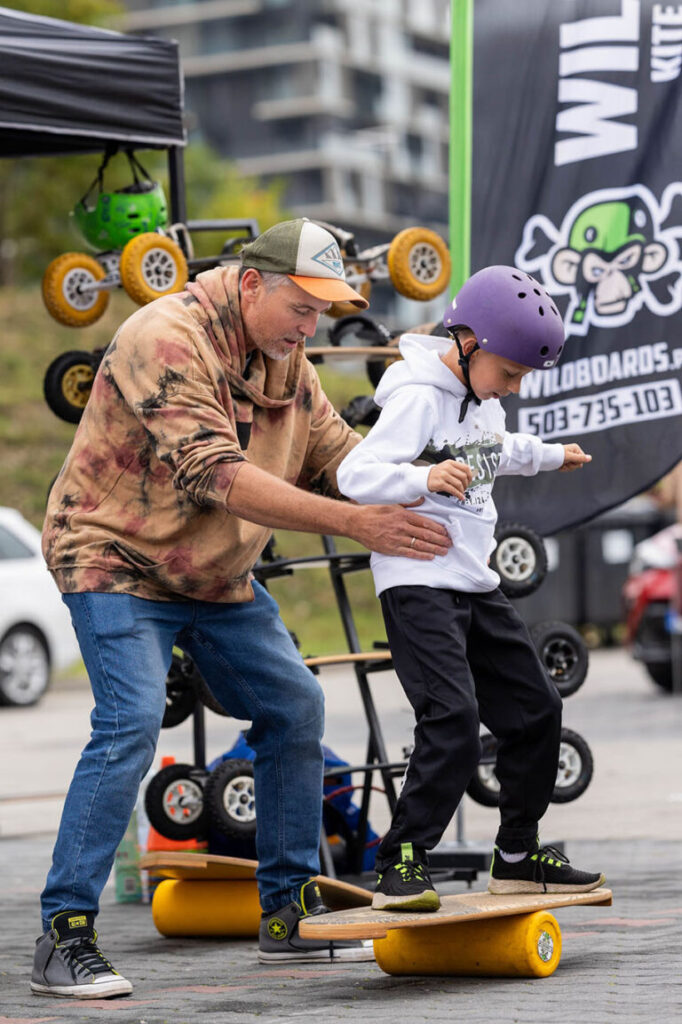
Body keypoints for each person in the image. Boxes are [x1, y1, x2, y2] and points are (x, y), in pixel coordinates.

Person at [32, 218, 453, 998]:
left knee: (294, 705)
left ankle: (288, 912)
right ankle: (65, 934)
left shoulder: (288, 361)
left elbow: (340, 460)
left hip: (212, 571)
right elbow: (217, 475)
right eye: (303, 306)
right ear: (253, 284)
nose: (313, 325)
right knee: (127, 723)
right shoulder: (164, 334)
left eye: (324, 310)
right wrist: (356, 522)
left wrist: (428, 482)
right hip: (113, 556)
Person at [336, 265, 606, 912]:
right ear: (466, 344)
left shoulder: (480, 402)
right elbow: (356, 473)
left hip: (473, 581)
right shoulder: (417, 398)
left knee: (536, 708)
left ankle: (516, 856)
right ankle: (402, 859)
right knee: (452, 719)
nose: (512, 388)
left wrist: (548, 453)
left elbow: (491, 451)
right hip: (417, 582)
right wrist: (421, 483)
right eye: (510, 373)